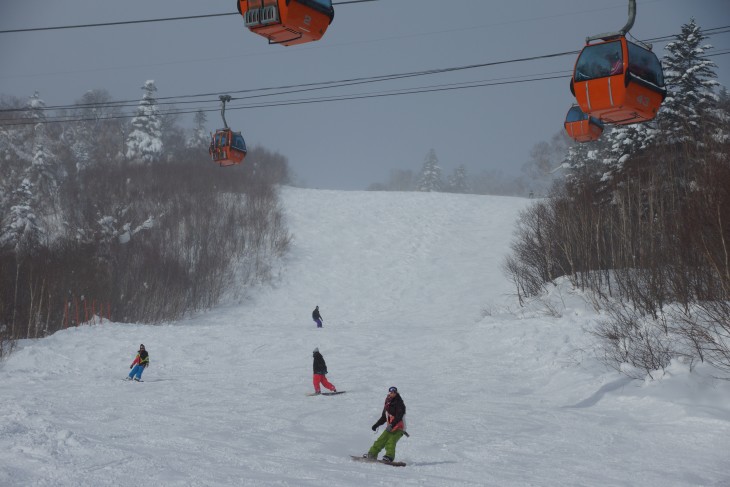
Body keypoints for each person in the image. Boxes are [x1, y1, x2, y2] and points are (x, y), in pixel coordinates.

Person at [364, 386, 406, 463]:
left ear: (396, 393)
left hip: (399, 427)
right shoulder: (388, 403)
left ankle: (389, 456)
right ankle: (372, 454)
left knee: (391, 442)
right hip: (390, 427)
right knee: (380, 440)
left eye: (394, 392)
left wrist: (392, 425)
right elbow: (384, 417)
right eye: (390, 392)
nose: (392, 393)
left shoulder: (399, 403)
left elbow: (399, 416)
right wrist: (376, 425)